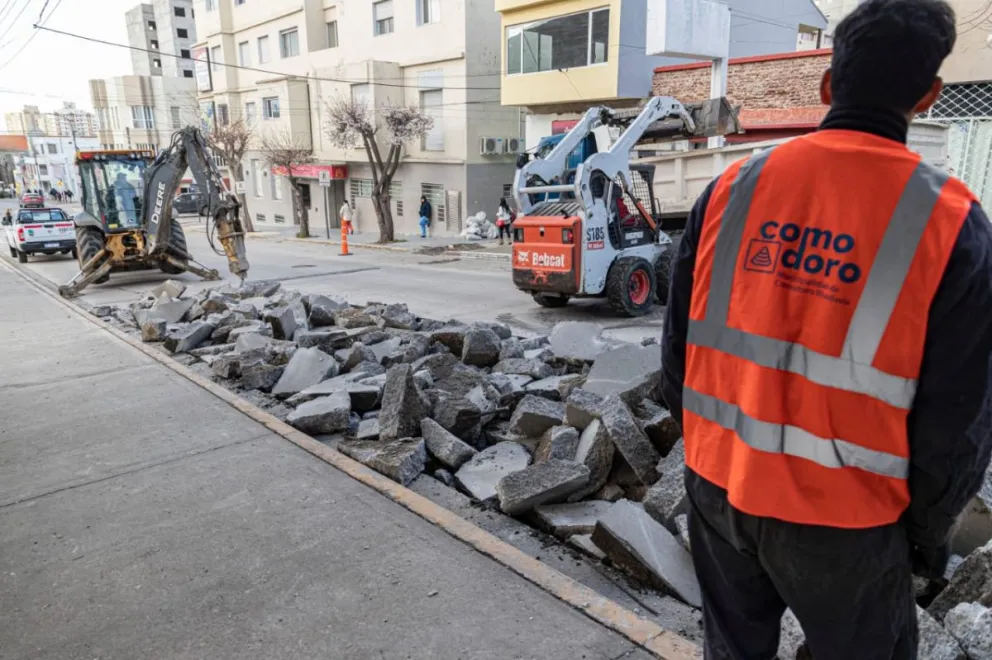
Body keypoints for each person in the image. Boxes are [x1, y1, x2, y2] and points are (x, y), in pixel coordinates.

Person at [659, 0, 992, 657]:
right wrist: (922, 538)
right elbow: (958, 422)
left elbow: (677, 357)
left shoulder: (732, 187)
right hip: (847, 521)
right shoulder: (953, 226)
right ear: (928, 95)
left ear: (827, 85)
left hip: (719, 485)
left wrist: (710, 456)